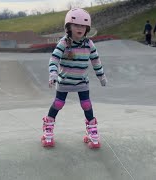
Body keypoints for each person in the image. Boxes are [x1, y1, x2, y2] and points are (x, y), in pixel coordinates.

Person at [41, 8, 107, 148]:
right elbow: (54, 59)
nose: (80, 28)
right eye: (76, 25)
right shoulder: (64, 43)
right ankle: (48, 128)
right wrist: (53, 74)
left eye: (83, 26)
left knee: (86, 105)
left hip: (82, 82)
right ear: (68, 27)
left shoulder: (89, 44)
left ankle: (93, 133)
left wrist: (101, 76)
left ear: (87, 28)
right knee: (58, 103)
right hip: (64, 81)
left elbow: (96, 61)